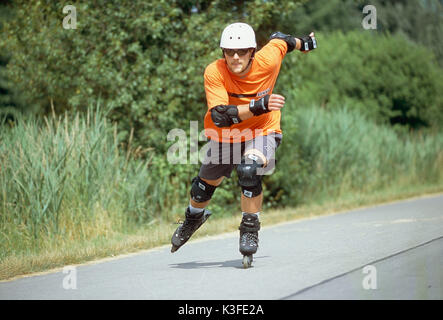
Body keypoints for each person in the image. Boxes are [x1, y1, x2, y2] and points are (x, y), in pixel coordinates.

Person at [171, 22, 316, 268]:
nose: (235, 57)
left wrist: (306, 44)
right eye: (229, 52)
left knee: (249, 170)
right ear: (223, 53)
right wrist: (258, 105)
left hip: (263, 129)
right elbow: (220, 115)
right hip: (226, 133)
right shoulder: (214, 71)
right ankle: (193, 218)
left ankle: (250, 227)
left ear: (252, 51)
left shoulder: (267, 60)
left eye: (241, 51)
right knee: (200, 190)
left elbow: (284, 40)